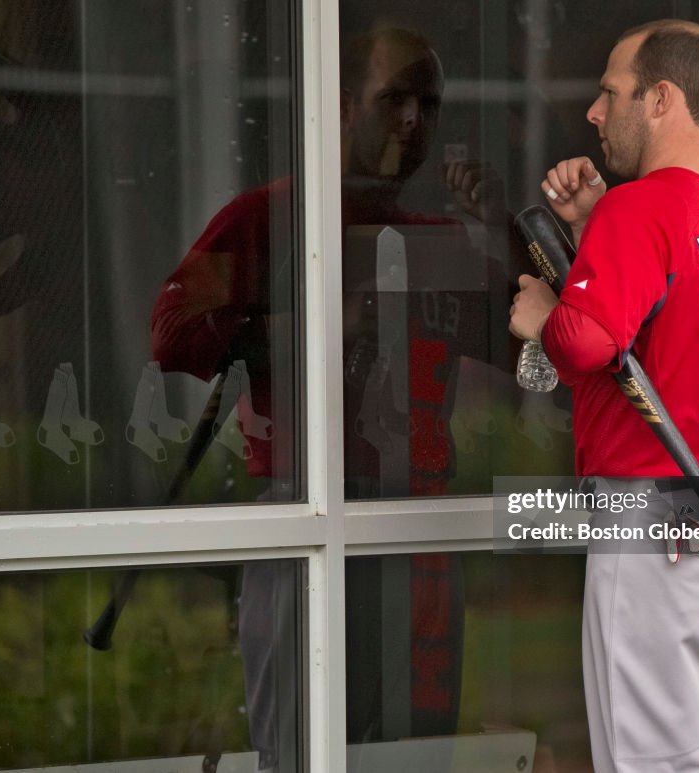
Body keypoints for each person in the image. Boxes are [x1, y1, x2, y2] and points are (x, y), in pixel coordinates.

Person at [152, 26, 515, 772]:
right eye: (394, 99)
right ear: (344, 104)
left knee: (417, 758)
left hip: (419, 531)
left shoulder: (441, 237)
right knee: (302, 751)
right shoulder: (275, 219)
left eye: (429, 104)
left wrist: (507, 227)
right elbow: (172, 329)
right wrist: (303, 324)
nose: (414, 120)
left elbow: (542, 343)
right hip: (304, 520)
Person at [508, 20, 699, 773]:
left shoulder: (639, 209)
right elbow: (658, 332)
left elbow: (587, 342)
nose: (593, 112)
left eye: (611, 93)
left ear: (662, 98)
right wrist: (594, 238)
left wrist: (546, 318)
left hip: (662, 528)